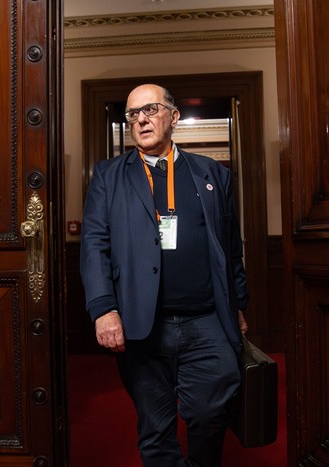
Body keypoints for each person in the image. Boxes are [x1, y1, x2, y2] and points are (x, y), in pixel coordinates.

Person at [80, 83, 249, 467]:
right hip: (142, 324)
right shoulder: (109, 176)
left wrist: (239, 302)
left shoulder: (212, 173)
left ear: (173, 116)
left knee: (210, 413)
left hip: (206, 320)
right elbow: (94, 246)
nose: (140, 119)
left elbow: (230, 244)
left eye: (150, 109)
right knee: (155, 429)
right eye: (132, 114)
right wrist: (104, 309)